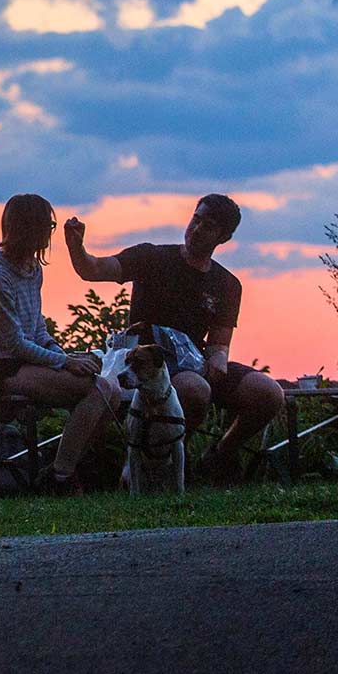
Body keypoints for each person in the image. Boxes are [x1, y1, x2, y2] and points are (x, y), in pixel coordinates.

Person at [61, 194, 286, 484]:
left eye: (209, 226)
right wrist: (76, 246)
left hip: (196, 360)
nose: (197, 229)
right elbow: (92, 269)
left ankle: (218, 456)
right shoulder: (152, 257)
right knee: (195, 389)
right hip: (149, 361)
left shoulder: (227, 284)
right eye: (196, 219)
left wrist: (218, 361)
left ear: (224, 237)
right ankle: (162, 463)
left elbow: (219, 344)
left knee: (268, 393)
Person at [0, 192, 122, 494]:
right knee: (99, 390)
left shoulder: (32, 270)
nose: (50, 233)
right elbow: (15, 345)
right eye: (48, 226)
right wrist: (66, 362)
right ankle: (61, 475)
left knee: (111, 391)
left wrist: (62, 353)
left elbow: (37, 329)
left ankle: (64, 465)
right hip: (2, 370)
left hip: (27, 363)